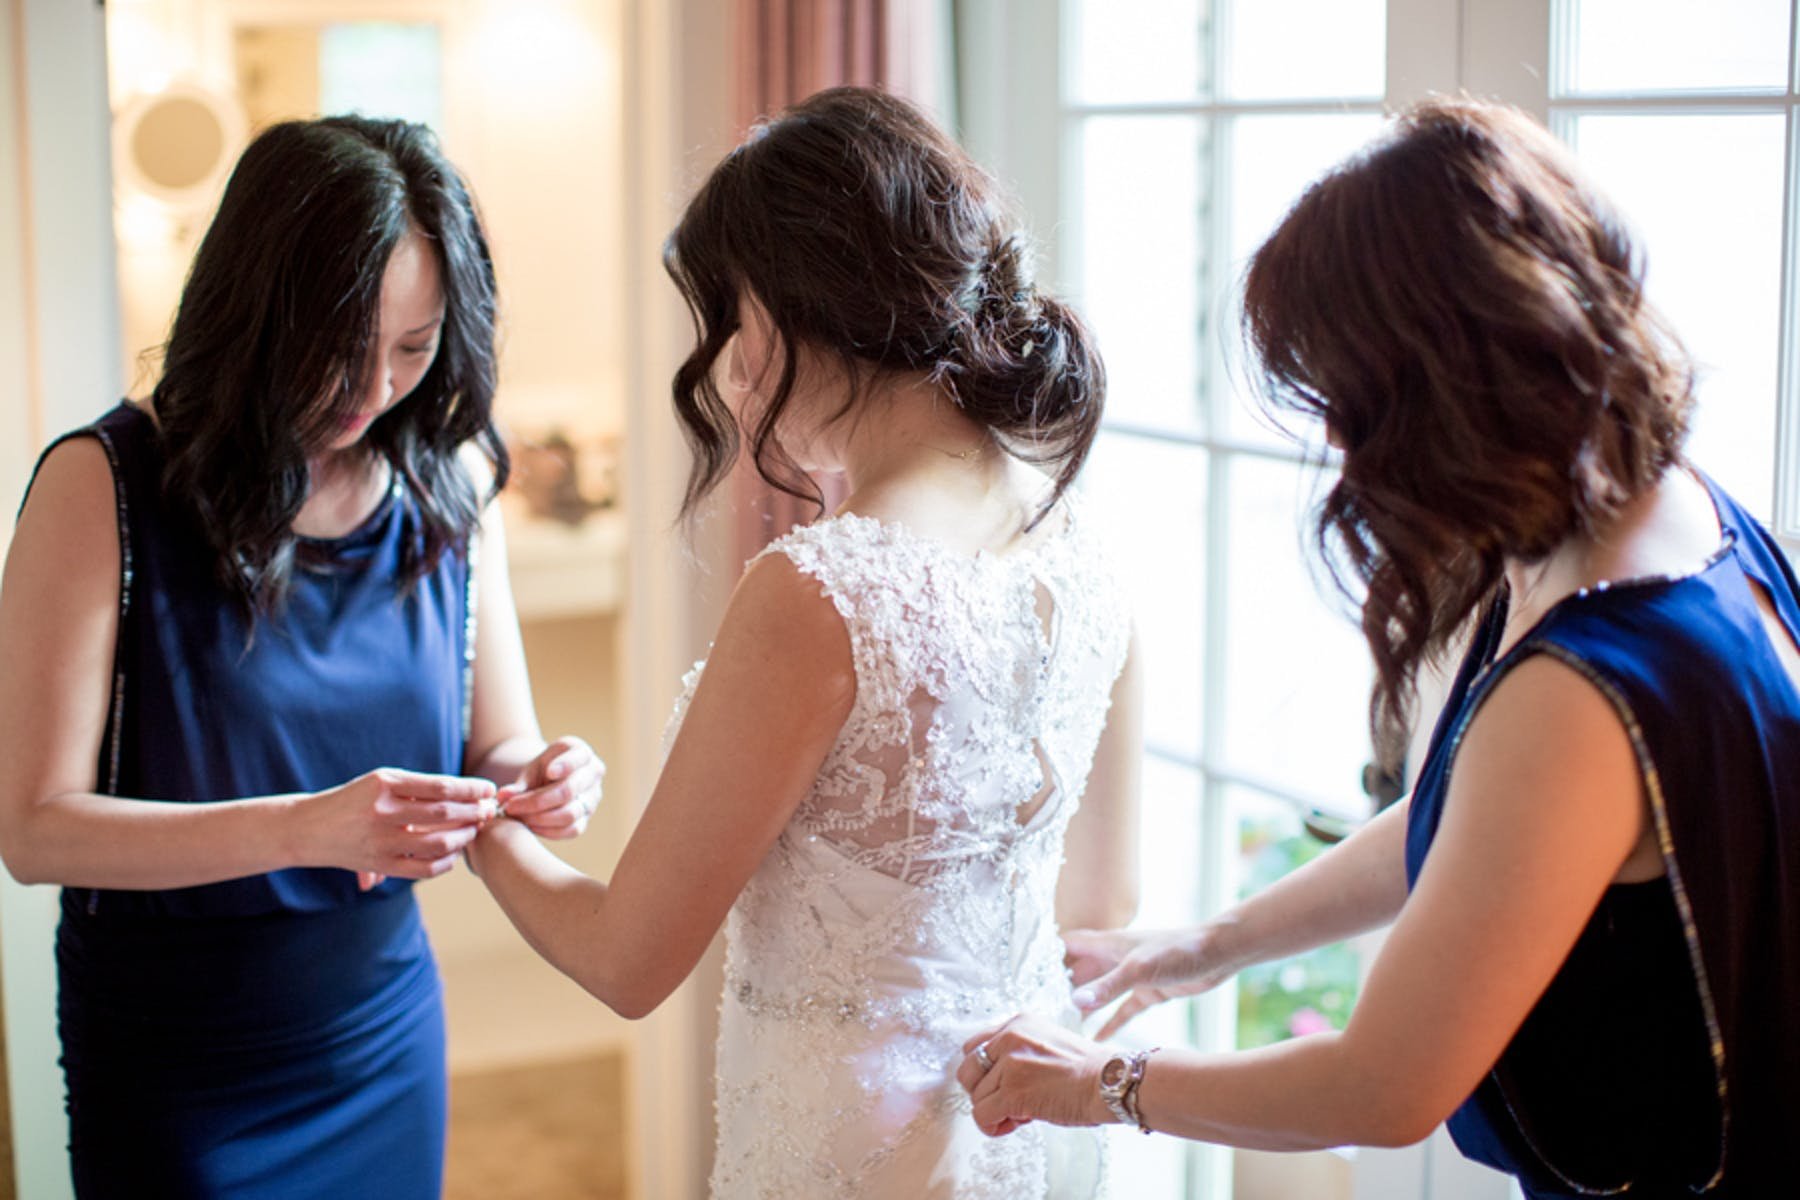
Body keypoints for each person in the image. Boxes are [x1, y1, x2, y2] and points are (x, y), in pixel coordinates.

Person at [958, 97, 1798, 1197]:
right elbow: (1466, 819)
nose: (1342, 450)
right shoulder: (1670, 514)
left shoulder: (1583, 690)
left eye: (1346, 405)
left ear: (1438, 386)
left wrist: (1101, 1080)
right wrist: (1206, 945)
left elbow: (1385, 1086)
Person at [466, 86, 1141, 1197]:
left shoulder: (825, 589)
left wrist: (484, 825)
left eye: (727, 317)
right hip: (1031, 1141)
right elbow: (1105, 905)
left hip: (849, 1153)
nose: (727, 371)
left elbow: (627, 960)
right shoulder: (1075, 538)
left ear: (782, 309)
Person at [0, 116, 603, 1198]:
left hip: (380, 1034)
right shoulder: (104, 487)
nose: (371, 389)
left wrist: (540, 776)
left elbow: (494, 740)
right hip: (181, 1067)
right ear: (256, 310)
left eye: (414, 348)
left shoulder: (449, 480)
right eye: (338, 344)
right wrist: (313, 826)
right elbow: (35, 831)